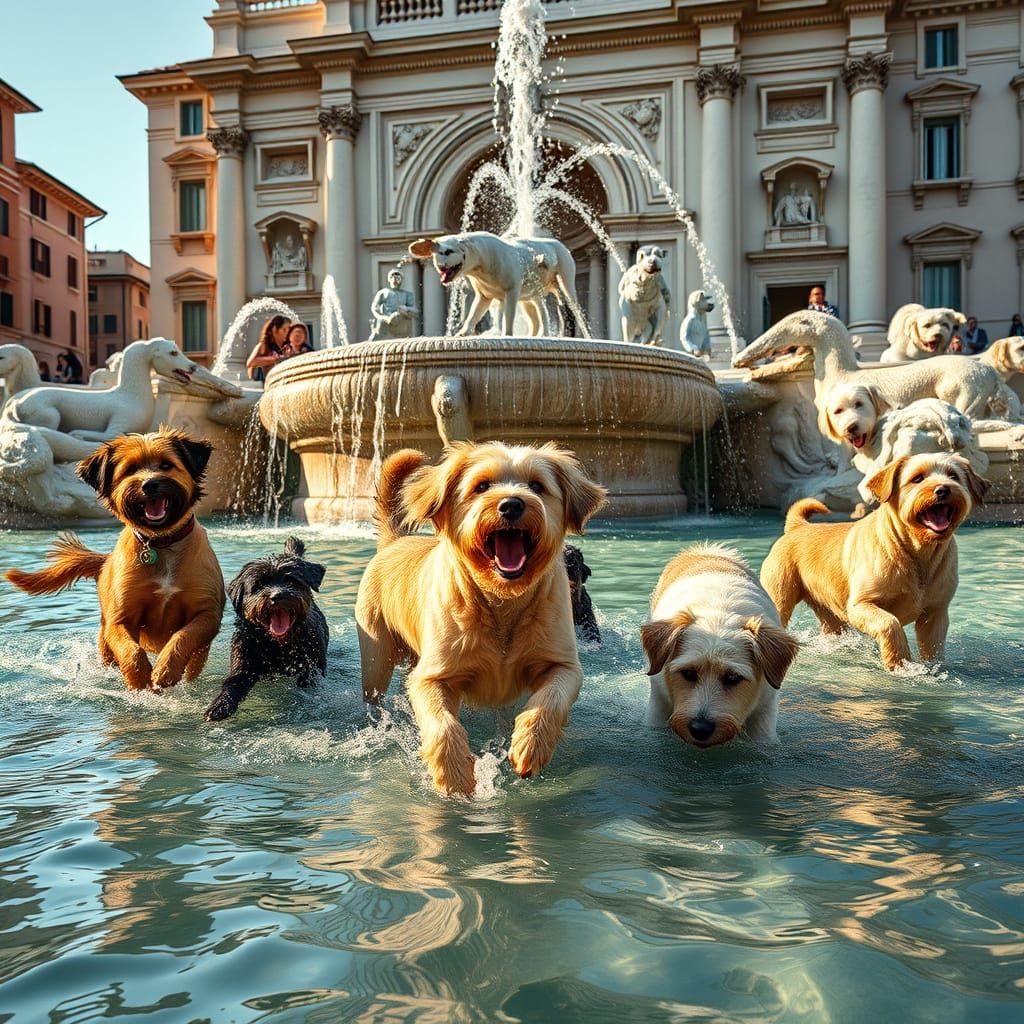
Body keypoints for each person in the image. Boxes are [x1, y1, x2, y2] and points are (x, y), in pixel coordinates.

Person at [246, 315, 290, 382]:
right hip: (267, 385)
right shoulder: (263, 345)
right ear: (274, 329)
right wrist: (275, 359)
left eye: (288, 330)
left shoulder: (285, 348)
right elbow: (251, 362)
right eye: (284, 330)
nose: (287, 333)